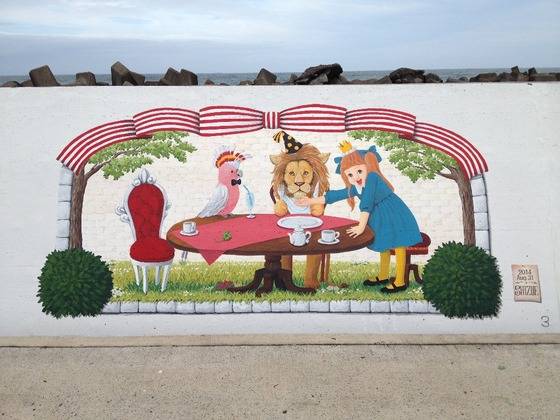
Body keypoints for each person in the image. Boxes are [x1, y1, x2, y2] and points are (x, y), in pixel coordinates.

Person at [296, 140, 422, 293]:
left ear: (367, 167)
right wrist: (310, 201)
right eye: (350, 174)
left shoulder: (373, 178)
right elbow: (336, 195)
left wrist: (361, 226)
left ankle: (400, 281)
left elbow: (367, 203)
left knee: (398, 243)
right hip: (379, 216)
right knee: (384, 243)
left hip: (393, 214)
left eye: (359, 171)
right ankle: (383, 276)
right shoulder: (357, 187)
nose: (355, 177)